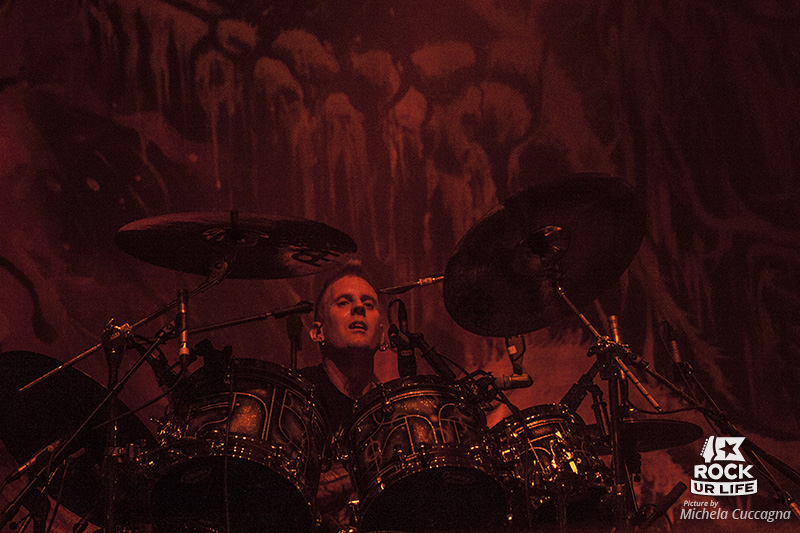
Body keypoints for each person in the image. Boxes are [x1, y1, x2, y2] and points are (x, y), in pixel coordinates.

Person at [298, 261, 391, 532]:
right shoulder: (296, 396)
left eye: (369, 304)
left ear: (382, 335)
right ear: (318, 332)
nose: (359, 308)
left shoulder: (392, 412)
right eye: (343, 302)